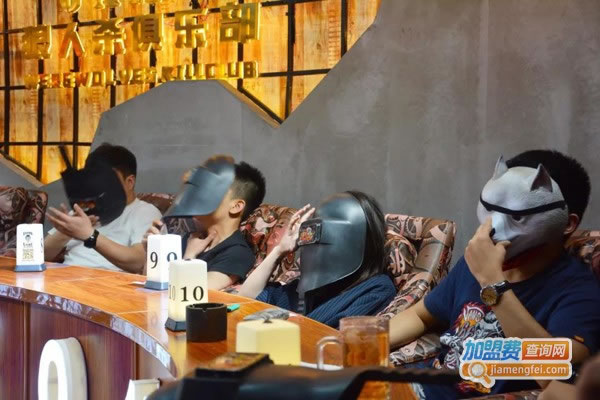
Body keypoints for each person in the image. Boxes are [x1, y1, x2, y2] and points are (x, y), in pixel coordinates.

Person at [388, 150, 600, 399]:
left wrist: (493, 283)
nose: (492, 229)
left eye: (517, 216)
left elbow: (559, 379)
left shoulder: (579, 294)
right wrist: (363, 342)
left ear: (568, 223)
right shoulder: (476, 264)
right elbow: (422, 315)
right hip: (418, 386)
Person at [238, 190, 397, 328]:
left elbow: (336, 339)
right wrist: (279, 250)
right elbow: (246, 301)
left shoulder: (376, 289)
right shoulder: (302, 290)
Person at [148, 156, 266, 290]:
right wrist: (153, 249)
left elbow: (196, 292)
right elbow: (152, 286)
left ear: (236, 206)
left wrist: (189, 257)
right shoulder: (190, 238)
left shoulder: (238, 253)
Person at [44, 143, 162, 273]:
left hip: (109, 282)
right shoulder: (84, 211)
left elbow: (138, 262)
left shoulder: (145, 212)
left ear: (130, 182)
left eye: (107, 180)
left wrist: (90, 236)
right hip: (65, 277)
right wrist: (65, 233)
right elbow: (42, 256)